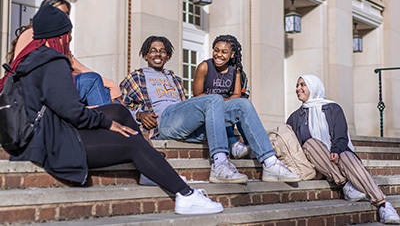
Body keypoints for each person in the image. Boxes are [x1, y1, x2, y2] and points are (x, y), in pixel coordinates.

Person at [0, 5, 222, 215]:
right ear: (60, 35)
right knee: (131, 142)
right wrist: (106, 124)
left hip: (41, 133)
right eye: (68, 34)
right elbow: (73, 112)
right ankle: (185, 195)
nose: (70, 39)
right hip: (50, 143)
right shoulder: (54, 61)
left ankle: (149, 168)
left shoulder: (30, 59)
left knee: (118, 110)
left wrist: (109, 119)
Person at [120, 36, 301, 184]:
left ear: (167, 56)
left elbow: (187, 105)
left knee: (242, 104)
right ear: (145, 54)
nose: (158, 54)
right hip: (164, 122)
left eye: (162, 51)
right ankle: (220, 163)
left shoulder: (174, 78)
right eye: (153, 50)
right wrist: (140, 114)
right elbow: (120, 106)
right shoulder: (136, 76)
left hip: (183, 122)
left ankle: (270, 163)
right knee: (213, 98)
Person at [287, 74, 400, 224]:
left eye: (302, 85)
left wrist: (336, 150)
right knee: (310, 143)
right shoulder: (295, 117)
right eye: (297, 85)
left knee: (346, 156)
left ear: (314, 87)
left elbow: (341, 135)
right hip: (318, 164)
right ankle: (345, 184)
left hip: (339, 156)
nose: (298, 89)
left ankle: (384, 205)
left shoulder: (332, 108)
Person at [8, 0, 120, 106]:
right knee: (93, 81)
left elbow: (78, 67)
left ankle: (115, 119)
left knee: (105, 91)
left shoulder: (56, 38)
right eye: (60, 13)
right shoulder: (34, 34)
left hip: (53, 85)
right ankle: (106, 122)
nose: (65, 18)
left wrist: (109, 84)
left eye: (67, 14)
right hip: (40, 90)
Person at [193, 34, 251, 159]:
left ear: (232, 54)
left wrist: (225, 102)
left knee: (240, 108)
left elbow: (237, 95)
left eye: (224, 52)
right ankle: (233, 146)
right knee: (221, 110)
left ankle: (249, 143)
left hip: (226, 104)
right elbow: (197, 95)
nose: (219, 55)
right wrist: (221, 102)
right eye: (216, 50)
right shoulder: (204, 67)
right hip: (206, 108)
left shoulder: (236, 70)